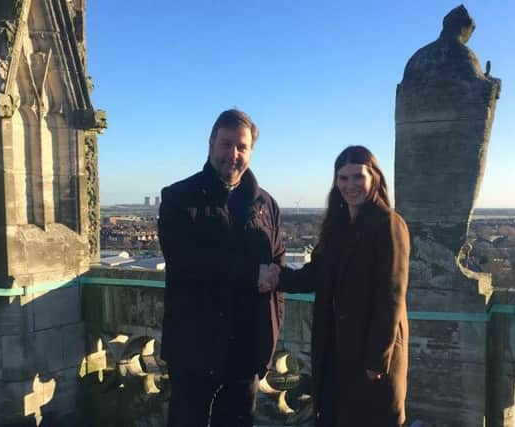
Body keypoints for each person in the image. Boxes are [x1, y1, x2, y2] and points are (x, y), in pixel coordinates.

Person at [157, 109, 284, 427]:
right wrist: (252, 274)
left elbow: (277, 262)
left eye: (241, 147)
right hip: (194, 346)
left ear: (251, 150)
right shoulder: (178, 197)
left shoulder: (267, 205)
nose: (233, 154)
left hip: (246, 347)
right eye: (226, 144)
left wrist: (271, 331)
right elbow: (185, 261)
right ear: (211, 144)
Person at [273, 145, 410, 427]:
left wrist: (376, 360)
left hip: (370, 356)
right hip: (335, 347)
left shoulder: (388, 223)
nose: (350, 185)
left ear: (374, 178)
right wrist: (276, 277)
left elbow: (391, 295)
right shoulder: (337, 225)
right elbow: (315, 274)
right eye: (343, 178)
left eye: (358, 177)